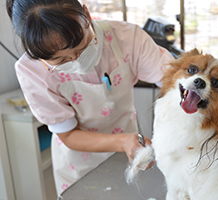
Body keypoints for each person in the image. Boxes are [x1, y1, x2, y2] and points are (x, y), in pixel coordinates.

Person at [6, 0, 174, 195]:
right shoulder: (31, 70)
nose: (76, 61)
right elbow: (68, 134)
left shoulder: (127, 38)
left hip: (128, 149)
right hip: (78, 167)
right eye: (60, 61)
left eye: (82, 46)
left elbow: (174, 80)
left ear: (86, 13)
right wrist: (122, 142)